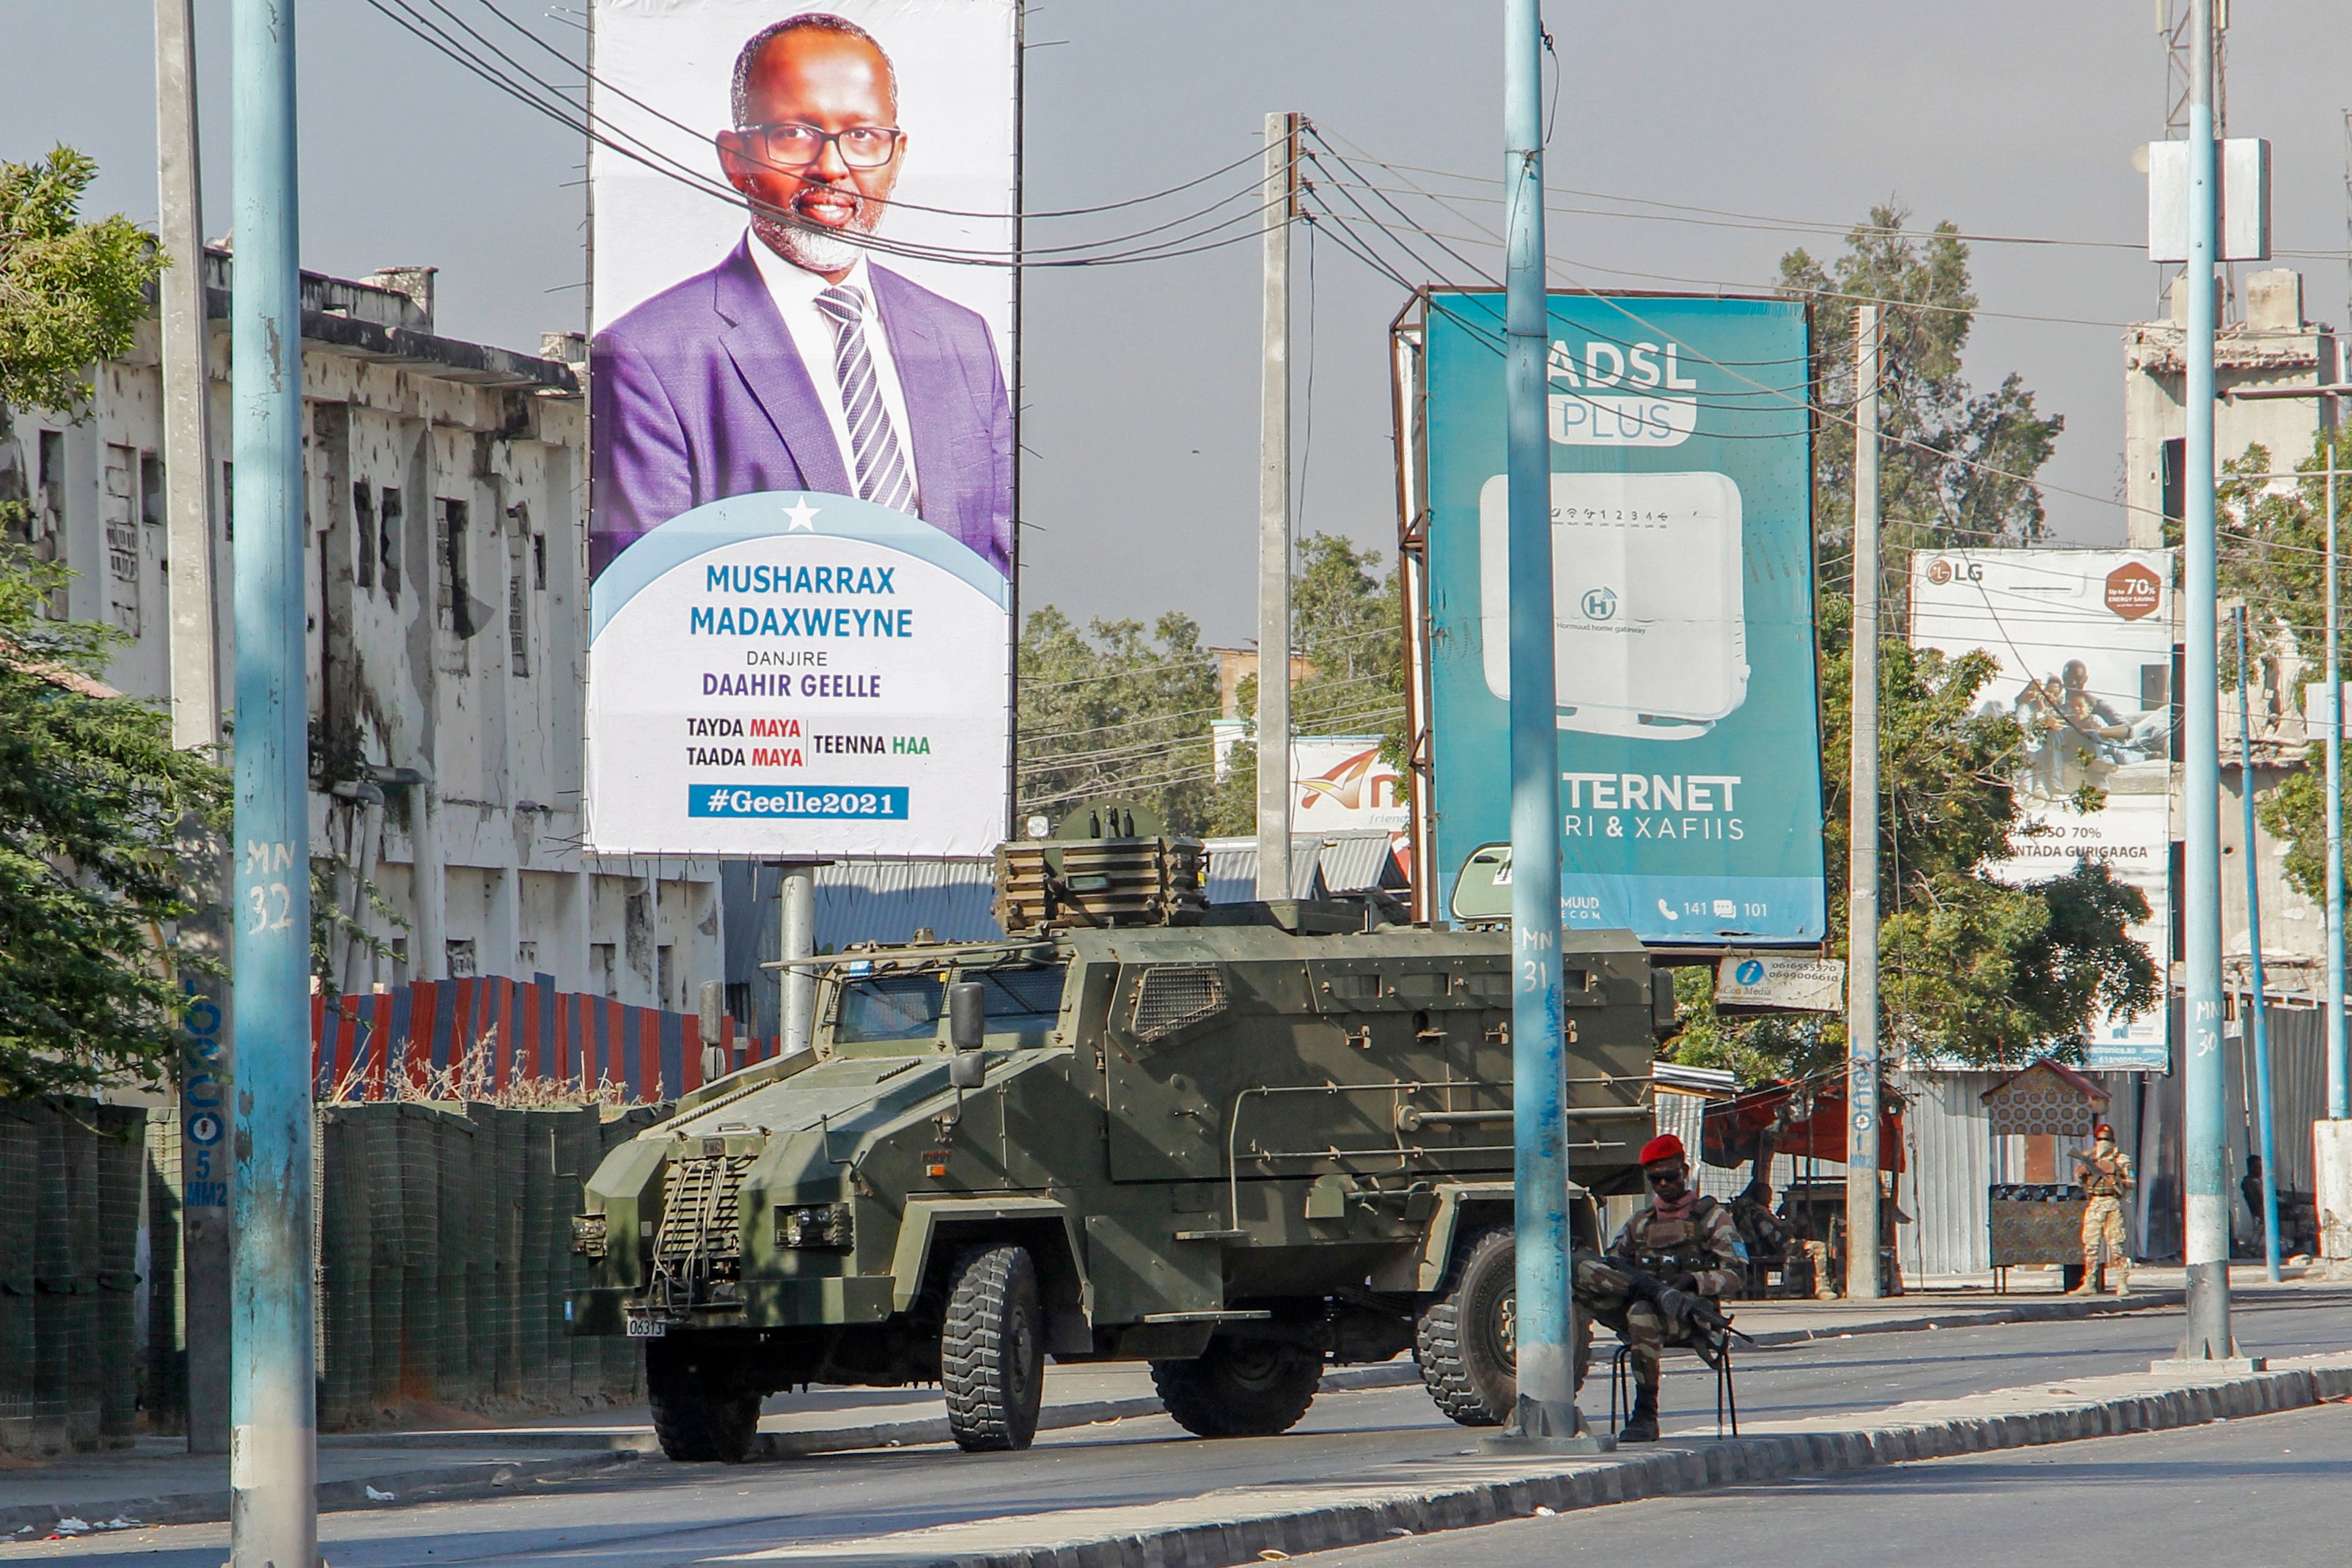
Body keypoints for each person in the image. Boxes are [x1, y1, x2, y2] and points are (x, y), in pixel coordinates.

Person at [589, 12, 1013, 581]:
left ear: (897, 156)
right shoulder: (651, 356)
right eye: (795, 134)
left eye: (862, 136)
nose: (832, 168)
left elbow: (997, 581)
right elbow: (651, 605)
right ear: (735, 160)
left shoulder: (960, 340)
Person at [1576, 1133, 1744, 1442]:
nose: (1664, 1185)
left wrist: (1695, 1281)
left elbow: (1735, 1275)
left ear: (1685, 1171)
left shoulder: (1712, 1219)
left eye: (1670, 1177)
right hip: (1636, 1304)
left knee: (1642, 1313)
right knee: (1577, 1271)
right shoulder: (1640, 1223)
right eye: (1657, 1180)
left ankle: (1645, 1413)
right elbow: (1614, 1262)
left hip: (1688, 1318)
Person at [2072, 1122, 2134, 1297]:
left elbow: (2132, 1182)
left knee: (2116, 1246)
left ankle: (2121, 1282)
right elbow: (2080, 1181)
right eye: (2099, 1139)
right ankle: (2089, 1282)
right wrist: (2082, 1174)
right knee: (2090, 1246)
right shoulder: (2089, 1159)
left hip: (2112, 1203)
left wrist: (2117, 1182)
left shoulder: (2121, 1159)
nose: (2102, 1142)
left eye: (2106, 1139)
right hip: (2095, 1203)